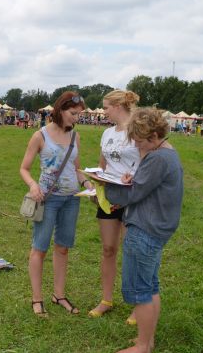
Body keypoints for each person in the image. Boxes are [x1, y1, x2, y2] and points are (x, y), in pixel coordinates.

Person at [103, 108, 183, 353]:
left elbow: (135, 193)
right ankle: (147, 340)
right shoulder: (167, 153)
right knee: (150, 286)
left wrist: (101, 187)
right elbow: (144, 185)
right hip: (156, 227)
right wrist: (133, 180)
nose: (135, 144)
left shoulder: (158, 158)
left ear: (153, 136)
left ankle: (142, 346)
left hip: (145, 229)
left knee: (141, 291)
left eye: (138, 140)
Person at [20, 91, 92, 317]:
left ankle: (59, 295)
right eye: (73, 113)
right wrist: (33, 185)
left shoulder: (75, 137)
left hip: (72, 200)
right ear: (60, 110)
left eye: (79, 114)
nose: (76, 118)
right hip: (47, 200)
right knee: (39, 249)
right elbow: (24, 168)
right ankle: (37, 299)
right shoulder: (40, 136)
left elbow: (76, 168)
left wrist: (88, 182)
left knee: (62, 248)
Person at [88, 90, 141, 322]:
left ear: (119, 106)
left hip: (133, 198)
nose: (103, 111)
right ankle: (106, 300)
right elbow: (103, 164)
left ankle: (139, 305)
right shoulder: (107, 133)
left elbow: (149, 162)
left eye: (106, 107)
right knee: (108, 249)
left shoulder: (138, 130)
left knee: (133, 251)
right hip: (109, 197)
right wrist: (95, 186)